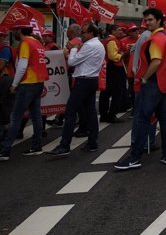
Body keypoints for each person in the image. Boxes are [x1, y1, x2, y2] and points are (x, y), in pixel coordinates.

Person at [114, 7, 166, 170]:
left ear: (159, 20)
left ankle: (134, 158)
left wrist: (144, 77)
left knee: (142, 119)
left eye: (150, 20)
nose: (147, 23)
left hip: (154, 84)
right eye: (145, 20)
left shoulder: (156, 40)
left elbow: (155, 61)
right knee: (165, 121)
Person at [45, 22, 106, 156]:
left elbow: (72, 62)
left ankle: (64, 145)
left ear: (91, 33)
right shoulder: (99, 44)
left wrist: (73, 49)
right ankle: (92, 142)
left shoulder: (89, 45)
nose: (81, 35)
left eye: (83, 32)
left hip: (83, 81)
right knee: (90, 112)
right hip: (91, 79)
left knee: (70, 111)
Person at [0, 22, 49, 160]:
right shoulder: (38, 43)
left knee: (15, 117)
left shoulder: (26, 43)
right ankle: (36, 146)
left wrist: (14, 84)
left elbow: (22, 65)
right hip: (38, 82)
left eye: (15, 30)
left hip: (27, 83)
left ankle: (5, 150)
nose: (13, 32)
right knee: (36, 115)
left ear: (20, 30)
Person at [101, 24, 127, 123]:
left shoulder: (109, 40)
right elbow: (113, 56)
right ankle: (112, 115)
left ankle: (104, 114)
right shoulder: (112, 41)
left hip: (110, 68)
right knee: (117, 92)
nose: (121, 31)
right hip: (114, 68)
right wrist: (122, 55)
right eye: (119, 29)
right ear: (112, 31)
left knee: (106, 92)